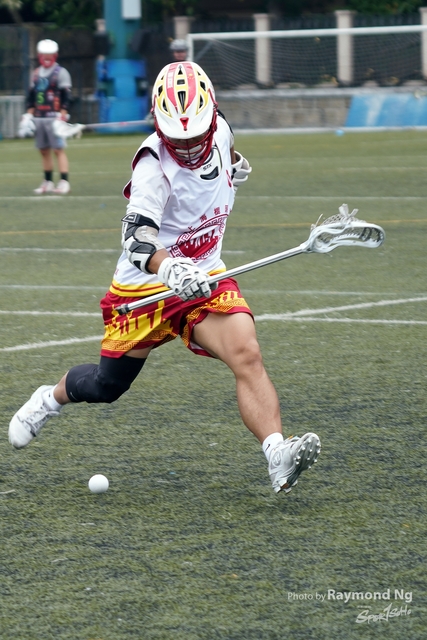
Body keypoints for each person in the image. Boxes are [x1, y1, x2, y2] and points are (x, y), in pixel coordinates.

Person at [9, 61, 321, 495]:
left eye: (196, 136)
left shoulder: (220, 127)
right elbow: (136, 240)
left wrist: (233, 165)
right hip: (145, 287)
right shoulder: (152, 165)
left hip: (205, 276)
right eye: (178, 138)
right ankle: (49, 399)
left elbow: (226, 146)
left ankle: (277, 454)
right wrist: (169, 267)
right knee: (107, 385)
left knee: (246, 354)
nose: (188, 146)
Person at [18, 39, 72, 195]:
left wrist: (62, 115)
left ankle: (64, 182)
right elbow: (32, 97)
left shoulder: (60, 72)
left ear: (55, 55)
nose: (47, 57)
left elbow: (66, 97)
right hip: (39, 117)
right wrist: (28, 115)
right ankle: (47, 182)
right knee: (43, 150)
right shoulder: (35, 74)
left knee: (58, 150)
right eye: (44, 54)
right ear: (39, 55)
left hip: (54, 118)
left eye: (50, 54)